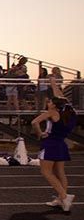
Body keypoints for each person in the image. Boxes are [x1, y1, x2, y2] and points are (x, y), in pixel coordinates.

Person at [33, 74, 76, 212]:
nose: (48, 102)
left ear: (55, 106)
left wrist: (40, 133)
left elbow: (35, 122)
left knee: (46, 172)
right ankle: (60, 199)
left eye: (50, 102)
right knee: (60, 172)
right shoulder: (69, 111)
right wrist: (53, 83)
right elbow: (60, 96)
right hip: (61, 143)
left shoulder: (52, 112)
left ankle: (64, 196)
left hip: (50, 143)